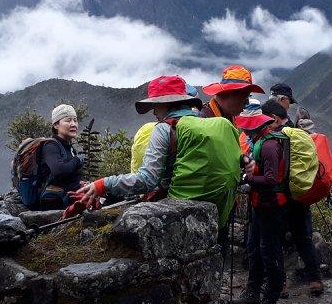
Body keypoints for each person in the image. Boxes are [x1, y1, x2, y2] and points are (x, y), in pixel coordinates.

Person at [73, 76, 240, 230]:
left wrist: (102, 184)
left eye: (155, 106)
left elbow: (147, 179)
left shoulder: (164, 128)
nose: (154, 112)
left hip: (179, 214)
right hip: (215, 211)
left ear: (165, 104)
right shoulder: (207, 124)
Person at [262, 99, 323, 296]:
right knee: (303, 238)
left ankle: (281, 284)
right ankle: (315, 280)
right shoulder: (300, 133)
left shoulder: (277, 136)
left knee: (277, 240)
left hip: (280, 195)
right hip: (299, 193)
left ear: (273, 118)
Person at [232, 112, 288, 304]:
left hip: (271, 207)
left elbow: (272, 179)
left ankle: (269, 302)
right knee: (255, 248)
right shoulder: (262, 143)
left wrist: (247, 178)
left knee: (270, 252)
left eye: (246, 129)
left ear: (253, 130)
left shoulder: (268, 146)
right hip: (260, 206)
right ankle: (252, 294)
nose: (244, 132)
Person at [36, 104, 85, 210]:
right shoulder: (50, 146)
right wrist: (77, 160)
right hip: (53, 205)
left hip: (67, 200)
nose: (73, 124)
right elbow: (59, 170)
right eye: (68, 120)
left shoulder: (68, 147)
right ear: (56, 125)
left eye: (75, 120)